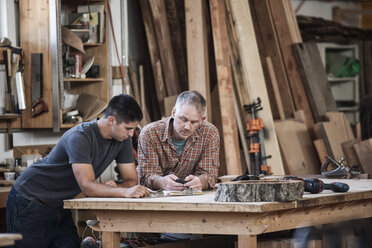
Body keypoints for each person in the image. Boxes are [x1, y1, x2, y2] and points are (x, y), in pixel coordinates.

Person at [6, 94, 150, 248]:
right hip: (30, 199)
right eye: (128, 128)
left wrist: (119, 188)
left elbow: (131, 181)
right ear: (111, 121)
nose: (130, 134)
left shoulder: (122, 140)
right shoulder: (80, 136)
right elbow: (87, 186)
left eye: (133, 129)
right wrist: (124, 192)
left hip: (59, 206)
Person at [137, 90, 220, 191]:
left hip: (194, 198)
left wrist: (201, 182)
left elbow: (210, 175)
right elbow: (145, 177)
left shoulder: (209, 133)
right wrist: (161, 182)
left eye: (194, 122)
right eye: (183, 119)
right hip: (159, 199)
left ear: (202, 120)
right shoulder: (150, 134)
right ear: (173, 112)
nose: (187, 127)